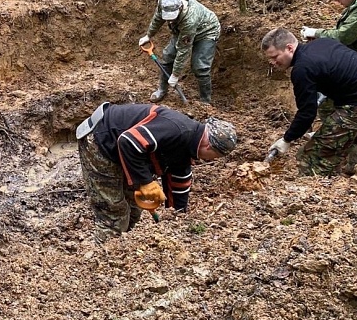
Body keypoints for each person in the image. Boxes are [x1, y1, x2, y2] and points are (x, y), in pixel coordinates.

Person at [75, 102, 237, 242]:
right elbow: (128, 142)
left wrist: (177, 215)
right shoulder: (176, 130)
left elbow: (179, 178)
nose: (212, 160)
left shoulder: (189, 143)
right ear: (210, 147)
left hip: (123, 151)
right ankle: (103, 259)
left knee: (133, 209)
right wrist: (146, 182)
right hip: (100, 140)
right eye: (215, 156)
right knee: (114, 213)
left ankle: (122, 250)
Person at [261, 28, 357, 177]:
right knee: (325, 144)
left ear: (289, 48)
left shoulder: (302, 69)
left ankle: (318, 183)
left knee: (311, 159)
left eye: (275, 56)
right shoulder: (320, 44)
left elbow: (307, 113)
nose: (272, 62)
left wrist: (287, 139)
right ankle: (334, 171)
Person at [298, 0, 357, 173]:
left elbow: (344, 36)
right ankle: (334, 145)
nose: (335, 0)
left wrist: (316, 33)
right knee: (328, 106)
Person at [138, 0, 220, 104]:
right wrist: (149, 35)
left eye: (172, 17)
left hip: (206, 32)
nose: (170, 20)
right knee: (168, 55)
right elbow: (158, 18)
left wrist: (175, 75)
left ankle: (205, 101)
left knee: (200, 66)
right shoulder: (164, 1)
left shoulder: (189, 19)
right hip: (182, 29)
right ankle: (162, 89)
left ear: (180, 8)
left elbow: (183, 50)